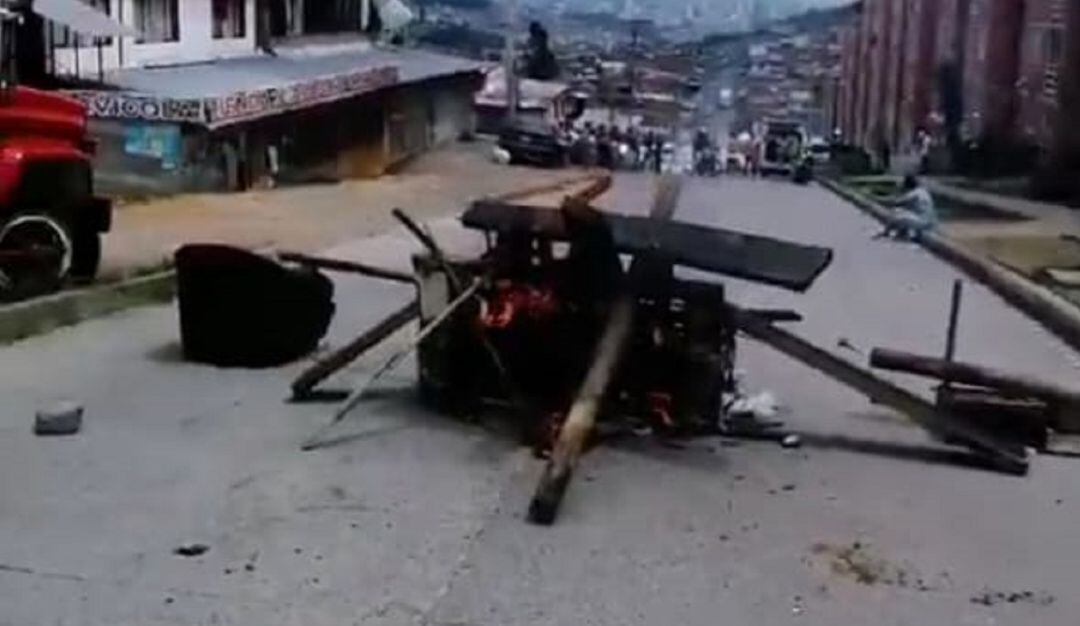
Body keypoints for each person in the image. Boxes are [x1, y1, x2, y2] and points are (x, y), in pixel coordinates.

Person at [876, 174, 938, 241]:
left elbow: (897, 202)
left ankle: (887, 232)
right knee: (904, 213)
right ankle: (902, 233)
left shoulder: (914, 193)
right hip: (928, 221)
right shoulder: (922, 191)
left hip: (922, 221)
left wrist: (880, 199)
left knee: (896, 213)